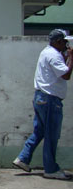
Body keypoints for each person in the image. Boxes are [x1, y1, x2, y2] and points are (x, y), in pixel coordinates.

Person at [13, 29, 73, 180]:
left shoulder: (47, 52)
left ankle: (23, 158)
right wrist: (71, 57)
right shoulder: (53, 56)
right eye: (65, 42)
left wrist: (66, 55)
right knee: (51, 134)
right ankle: (51, 169)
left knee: (40, 131)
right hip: (50, 100)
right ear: (58, 41)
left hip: (41, 98)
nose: (66, 44)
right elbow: (66, 74)